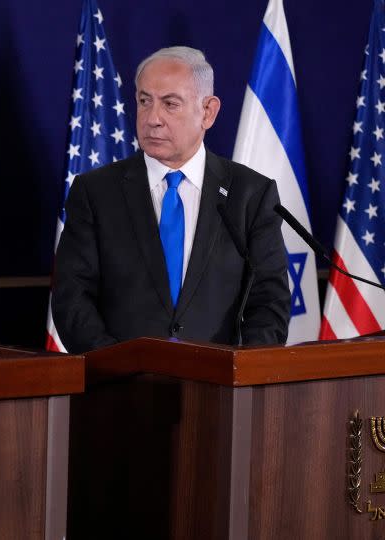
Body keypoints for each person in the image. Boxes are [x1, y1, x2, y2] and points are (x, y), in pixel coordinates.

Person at [51, 46, 290, 354]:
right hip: (118, 388)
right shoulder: (95, 192)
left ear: (208, 111)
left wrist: (241, 375)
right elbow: (72, 299)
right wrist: (117, 367)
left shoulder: (250, 194)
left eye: (169, 104)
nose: (153, 119)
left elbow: (270, 302)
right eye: (144, 101)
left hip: (219, 391)